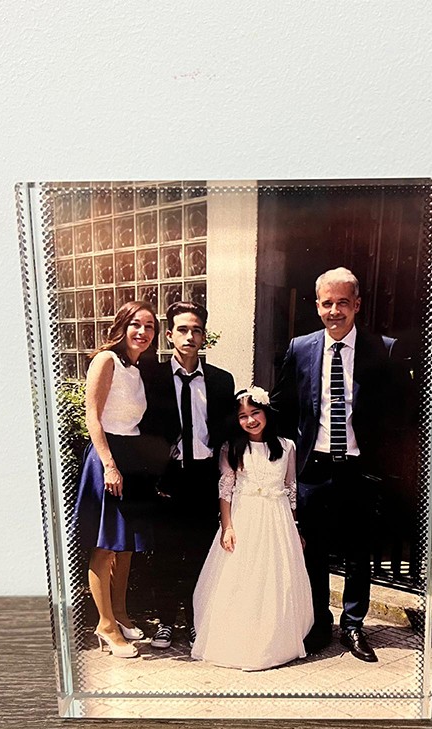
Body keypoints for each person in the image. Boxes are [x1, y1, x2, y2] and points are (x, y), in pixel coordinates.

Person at [271, 267, 396, 662]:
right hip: (314, 468)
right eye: (328, 303)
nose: (335, 311)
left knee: (359, 551)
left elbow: (398, 412)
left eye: (343, 302)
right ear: (317, 306)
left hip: (359, 469)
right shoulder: (300, 348)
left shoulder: (382, 349)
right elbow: (281, 405)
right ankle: (320, 624)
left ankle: (354, 625)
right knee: (315, 551)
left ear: (357, 305)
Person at [191, 388, 313, 671]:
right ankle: (241, 640)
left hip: (277, 520)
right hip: (245, 517)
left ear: (266, 412)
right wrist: (227, 527)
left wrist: (295, 527)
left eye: (255, 413)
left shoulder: (286, 447)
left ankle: (275, 641)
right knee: (244, 578)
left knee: (276, 579)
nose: (250, 420)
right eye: (243, 416)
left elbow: (290, 489)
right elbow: (226, 490)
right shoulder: (232, 448)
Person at [139, 301, 235, 649]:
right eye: (182, 329)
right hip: (169, 478)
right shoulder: (151, 377)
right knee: (166, 552)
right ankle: (166, 621)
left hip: (204, 477)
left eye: (196, 330)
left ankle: (196, 621)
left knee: (200, 553)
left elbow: (227, 432)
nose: (189, 336)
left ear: (204, 336)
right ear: (169, 335)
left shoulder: (221, 381)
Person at [74, 300, 159, 658]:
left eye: (150, 326)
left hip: (131, 456)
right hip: (108, 455)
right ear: (122, 326)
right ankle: (105, 626)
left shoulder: (136, 369)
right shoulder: (106, 360)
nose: (143, 332)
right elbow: (92, 416)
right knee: (106, 544)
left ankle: (120, 615)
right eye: (136, 324)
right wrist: (109, 465)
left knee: (125, 546)